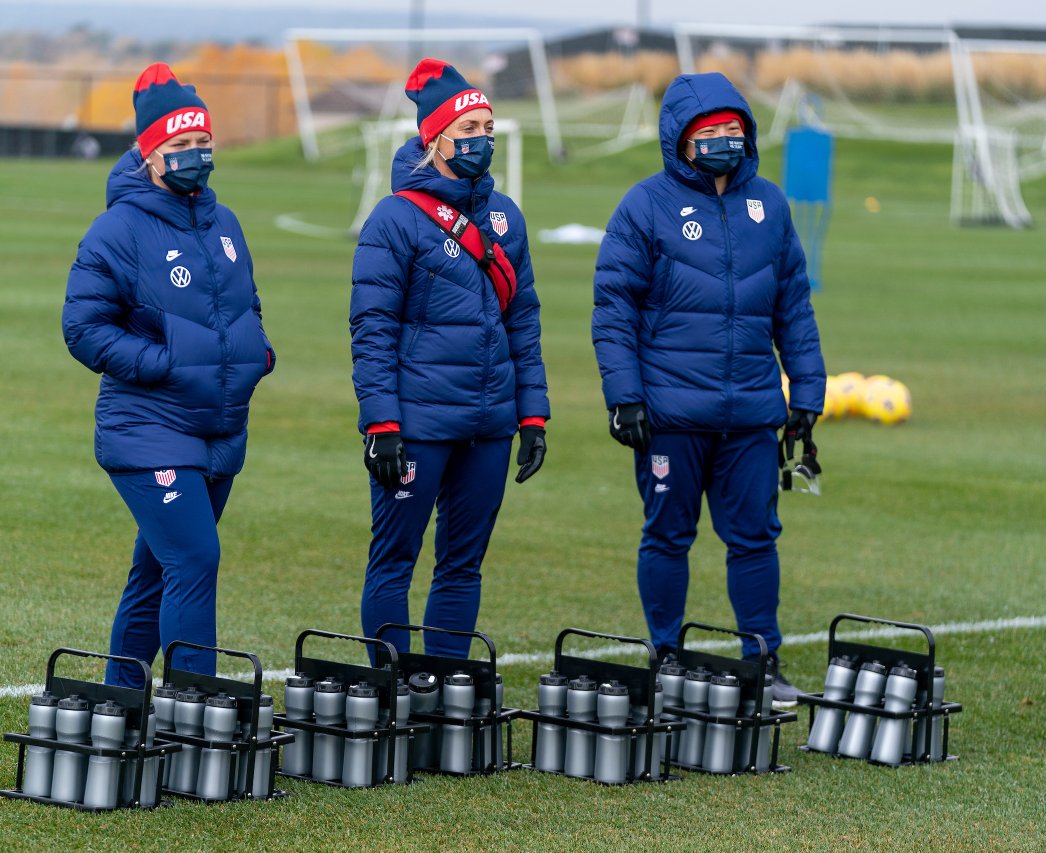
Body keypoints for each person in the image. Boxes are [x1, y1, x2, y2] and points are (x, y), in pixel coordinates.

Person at [592, 72, 826, 705]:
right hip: (670, 414)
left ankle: (763, 661)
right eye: (710, 131)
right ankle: (666, 657)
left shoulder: (770, 205)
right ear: (681, 139)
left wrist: (807, 392)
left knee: (755, 538)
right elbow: (613, 309)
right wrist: (624, 396)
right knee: (668, 536)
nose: (725, 139)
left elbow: (794, 307)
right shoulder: (644, 206)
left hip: (751, 413)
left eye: (733, 129)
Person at [62, 63, 275, 687]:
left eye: (203, 141)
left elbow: (247, 305)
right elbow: (83, 328)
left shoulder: (225, 222)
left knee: (157, 570)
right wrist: (163, 362)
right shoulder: (117, 229)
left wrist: (257, 352)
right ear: (150, 152)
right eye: (181, 143)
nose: (195, 154)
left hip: (220, 428)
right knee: (194, 559)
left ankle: (121, 698)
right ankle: (194, 708)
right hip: (147, 427)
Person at [350, 58, 549, 660]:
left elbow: (524, 321)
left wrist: (532, 415)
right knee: (395, 559)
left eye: (487, 128)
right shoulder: (394, 218)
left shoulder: (505, 216)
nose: (481, 140)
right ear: (434, 139)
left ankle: (443, 689)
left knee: (463, 563)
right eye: (468, 131)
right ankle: (390, 688)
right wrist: (382, 423)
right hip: (419, 424)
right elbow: (372, 329)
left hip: (489, 424)